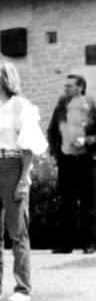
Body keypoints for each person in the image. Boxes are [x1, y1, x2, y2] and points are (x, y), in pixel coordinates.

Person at [0, 61, 45, 301]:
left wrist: (24, 178)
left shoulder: (21, 107)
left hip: (12, 164)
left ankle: (22, 287)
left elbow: (29, 145)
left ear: (4, 80)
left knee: (17, 229)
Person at [46, 73, 96, 254]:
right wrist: (54, 153)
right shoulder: (61, 105)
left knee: (88, 202)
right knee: (66, 202)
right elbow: (51, 130)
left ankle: (89, 243)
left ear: (80, 87)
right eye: (65, 86)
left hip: (86, 159)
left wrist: (87, 140)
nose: (65, 88)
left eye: (69, 86)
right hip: (66, 159)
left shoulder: (91, 104)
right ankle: (66, 244)